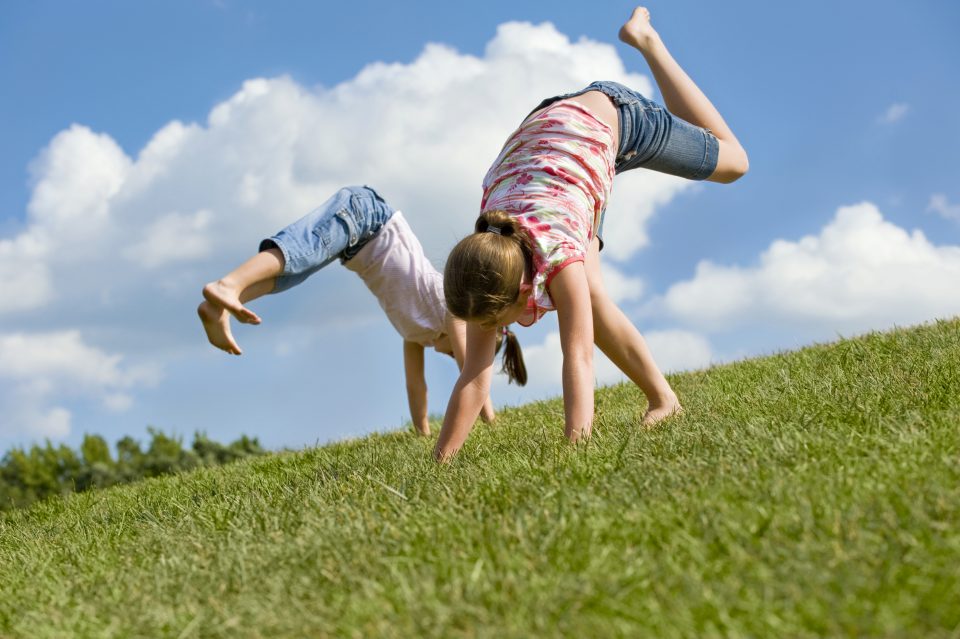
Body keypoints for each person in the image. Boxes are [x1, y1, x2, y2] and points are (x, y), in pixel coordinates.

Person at [437, 7, 748, 460]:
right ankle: (664, 402)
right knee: (593, 295)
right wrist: (441, 463)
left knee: (734, 163)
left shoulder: (558, 257)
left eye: (495, 321)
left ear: (524, 289)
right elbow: (474, 376)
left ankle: (646, 41)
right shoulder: (490, 256)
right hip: (550, 148)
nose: (493, 331)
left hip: (612, 118)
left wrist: (575, 450)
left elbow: (577, 358)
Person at [197, 185, 527, 436]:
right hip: (369, 217)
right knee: (299, 253)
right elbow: (471, 372)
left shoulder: (415, 334)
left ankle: (221, 304)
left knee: (292, 273)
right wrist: (491, 422)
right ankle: (228, 286)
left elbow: (416, 384)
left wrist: (422, 431)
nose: (446, 352)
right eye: (456, 349)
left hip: (357, 245)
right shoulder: (452, 308)